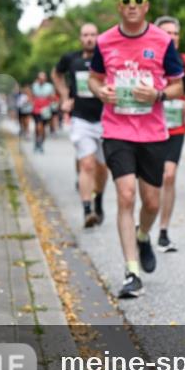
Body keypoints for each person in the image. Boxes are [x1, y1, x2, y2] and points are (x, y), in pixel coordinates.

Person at [88, 0, 185, 299]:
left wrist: (157, 94)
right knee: (126, 195)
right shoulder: (105, 41)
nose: (132, 5)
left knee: (152, 202)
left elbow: (178, 86)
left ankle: (144, 236)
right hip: (116, 130)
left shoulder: (161, 41)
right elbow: (94, 79)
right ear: (119, 6)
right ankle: (132, 271)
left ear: (146, 6)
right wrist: (100, 91)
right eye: (126, 0)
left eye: (138, 0)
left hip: (152, 132)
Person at [54, 23, 109, 228]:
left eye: (93, 35)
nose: (89, 38)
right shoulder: (71, 59)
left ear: (98, 37)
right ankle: (87, 210)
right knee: (87, 164)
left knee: (102, 167)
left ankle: (98, 200)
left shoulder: (106, 58)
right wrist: (64, 96)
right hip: (80, 118)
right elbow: (56, 73)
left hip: (105, 119)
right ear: (80, 38)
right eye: (85, 35)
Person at [154, 15, 185, 252]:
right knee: (150, 180)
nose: (172, 37)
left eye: (175, 33)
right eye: (166, 33)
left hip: (175, 125)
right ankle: (145, 220)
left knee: (169, 176)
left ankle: (163, 231)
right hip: (150, 126)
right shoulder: (149, 58)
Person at [30, 72, 55, 153]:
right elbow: (31, 96)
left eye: (43, 78)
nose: (41, 80)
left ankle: (40, 143)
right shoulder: (34, 86)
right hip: (36, 109)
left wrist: (51, 99)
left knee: (43, 127)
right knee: (38, 126)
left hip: (45, 109)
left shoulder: (49, 86)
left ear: (45, 79)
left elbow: (52, 97)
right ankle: (37, 141)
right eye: (40, 78)